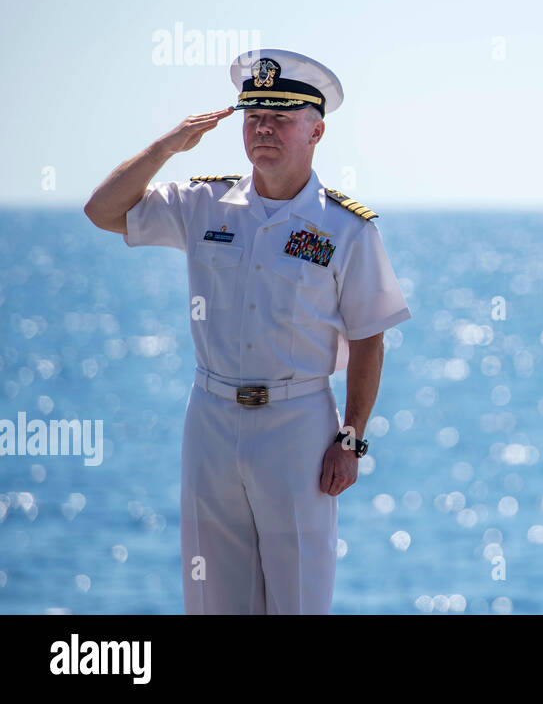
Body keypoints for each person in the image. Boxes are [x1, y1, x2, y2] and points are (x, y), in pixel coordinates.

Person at [83, 49, 411, 613]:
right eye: (254, 115)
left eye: (281, 117)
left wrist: (351, 438)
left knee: (298, 598)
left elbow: (368, 337)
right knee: (211, 599)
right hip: (210, 419)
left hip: (298, 426)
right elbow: (103, 211)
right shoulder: (205, 204)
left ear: (316, 131)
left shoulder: (344, 229)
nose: (263, 128)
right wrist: (166, 147)